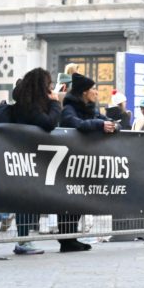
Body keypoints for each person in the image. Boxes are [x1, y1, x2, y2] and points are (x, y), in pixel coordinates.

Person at [5, 69, 63, 255]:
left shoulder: (24, 102)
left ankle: (24, 239)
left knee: (26, 200)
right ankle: (23, 240)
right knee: (24, 200)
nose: (50, 88)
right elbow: (49, 123)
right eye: (48, 84)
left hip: (23, 155)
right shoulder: (31, 106)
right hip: (25, 156)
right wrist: (55, 103)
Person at [59, 73, 117, 252]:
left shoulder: (92, 109)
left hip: (84, 161)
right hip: (69, 161)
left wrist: (113, 126)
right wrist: (99, 125)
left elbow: (108, 122)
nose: (96, 92)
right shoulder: (69, 108)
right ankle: (66, 240)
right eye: (93, 89)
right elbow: (76, 124)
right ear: (84, 92)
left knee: (78, 201)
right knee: (67, 202)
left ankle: (71, 239)